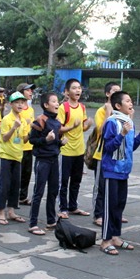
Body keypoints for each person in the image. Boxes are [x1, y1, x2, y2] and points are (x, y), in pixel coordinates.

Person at [99, 91, 140, 255]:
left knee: (119, 206)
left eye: (131, 100)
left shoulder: (128, 122)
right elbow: (108, 147)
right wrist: (121, 134)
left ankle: (115, 237)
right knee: (110, 206)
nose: (131, 103)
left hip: (124, 171)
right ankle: (105, 241)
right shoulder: (112, 122)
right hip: (112, 170)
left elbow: (130, 147)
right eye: (127, 101)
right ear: (118, 105)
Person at [27, 92, 65, 235]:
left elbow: (54, 142)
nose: (57, 104)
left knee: (53, 191)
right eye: (54, 101)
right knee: (39, 191)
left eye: (57, 101)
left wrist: (60, 143)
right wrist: (46, 140)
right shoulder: (40, 121)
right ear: (45, 105)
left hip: (54, 160)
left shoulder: (57, 122)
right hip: (42, 160)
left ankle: (51, 220)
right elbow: (32, 140)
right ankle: (33, 223)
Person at [57, 78, 92, 218]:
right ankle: (63, 208)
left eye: (79, 88)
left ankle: (73, 206)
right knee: (63, 181)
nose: (78, 90)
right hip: (66, 150)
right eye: (74, 88)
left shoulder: (82, 107)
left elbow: (82, 128)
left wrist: (88, 125)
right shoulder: (63, 108)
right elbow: (58, 128)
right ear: (67, 91)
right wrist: (72, 126)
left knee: (76, 180)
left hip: (79, 150)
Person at [0, 91, 30, 225]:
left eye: (22, 102)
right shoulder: (6, 119)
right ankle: (1, 212)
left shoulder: (23, 120)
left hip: (18, 155)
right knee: (4, 184)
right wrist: (14, 127)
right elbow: (4, 138)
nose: (20, 105)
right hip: (6, 155)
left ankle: (11, 211)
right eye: (17, 102)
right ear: (11, 104)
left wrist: (33, 131)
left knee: (15, 184)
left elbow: (24, 139)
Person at [92, 82, 120, 227]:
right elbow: (101, 131)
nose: (118, 93)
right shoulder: (101, 111)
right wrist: (108, 113)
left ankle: (113, 213)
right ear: (107, 94)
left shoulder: (121, 112)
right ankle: (98, 214)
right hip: (102, 154)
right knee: (100, 187)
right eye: (114, 91)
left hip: (117, 155)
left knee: (115, 187)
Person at [17, 83, 36, 205]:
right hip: (19, 145)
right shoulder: (17, 109)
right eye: (28, 90)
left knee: (27, 173)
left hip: (29, 145)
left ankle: (23, 197)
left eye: (31, 90)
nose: (31, 92)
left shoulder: (31, 109)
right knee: (17, 173)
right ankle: (13, 196)